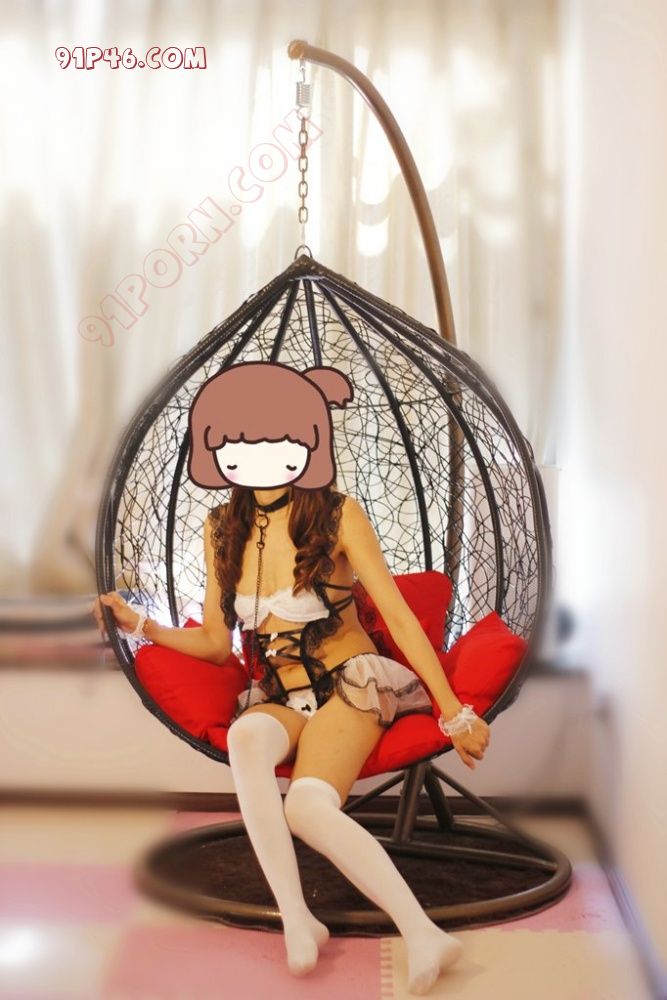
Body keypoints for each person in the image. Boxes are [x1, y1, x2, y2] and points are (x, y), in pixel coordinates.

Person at [94, 361, 491, 995]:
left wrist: (454, 711)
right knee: (245, 737)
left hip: (352, 684)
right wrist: (139, 624)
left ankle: (423, 932)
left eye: (273, 442)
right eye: (236, 446)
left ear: (308, 442)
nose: (255, 458)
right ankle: (297, 917)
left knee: (306, 805)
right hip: (281, 695)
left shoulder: (338, 515)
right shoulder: (221, 528)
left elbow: (398, 616)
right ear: (215, 452)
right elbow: (215, 644)